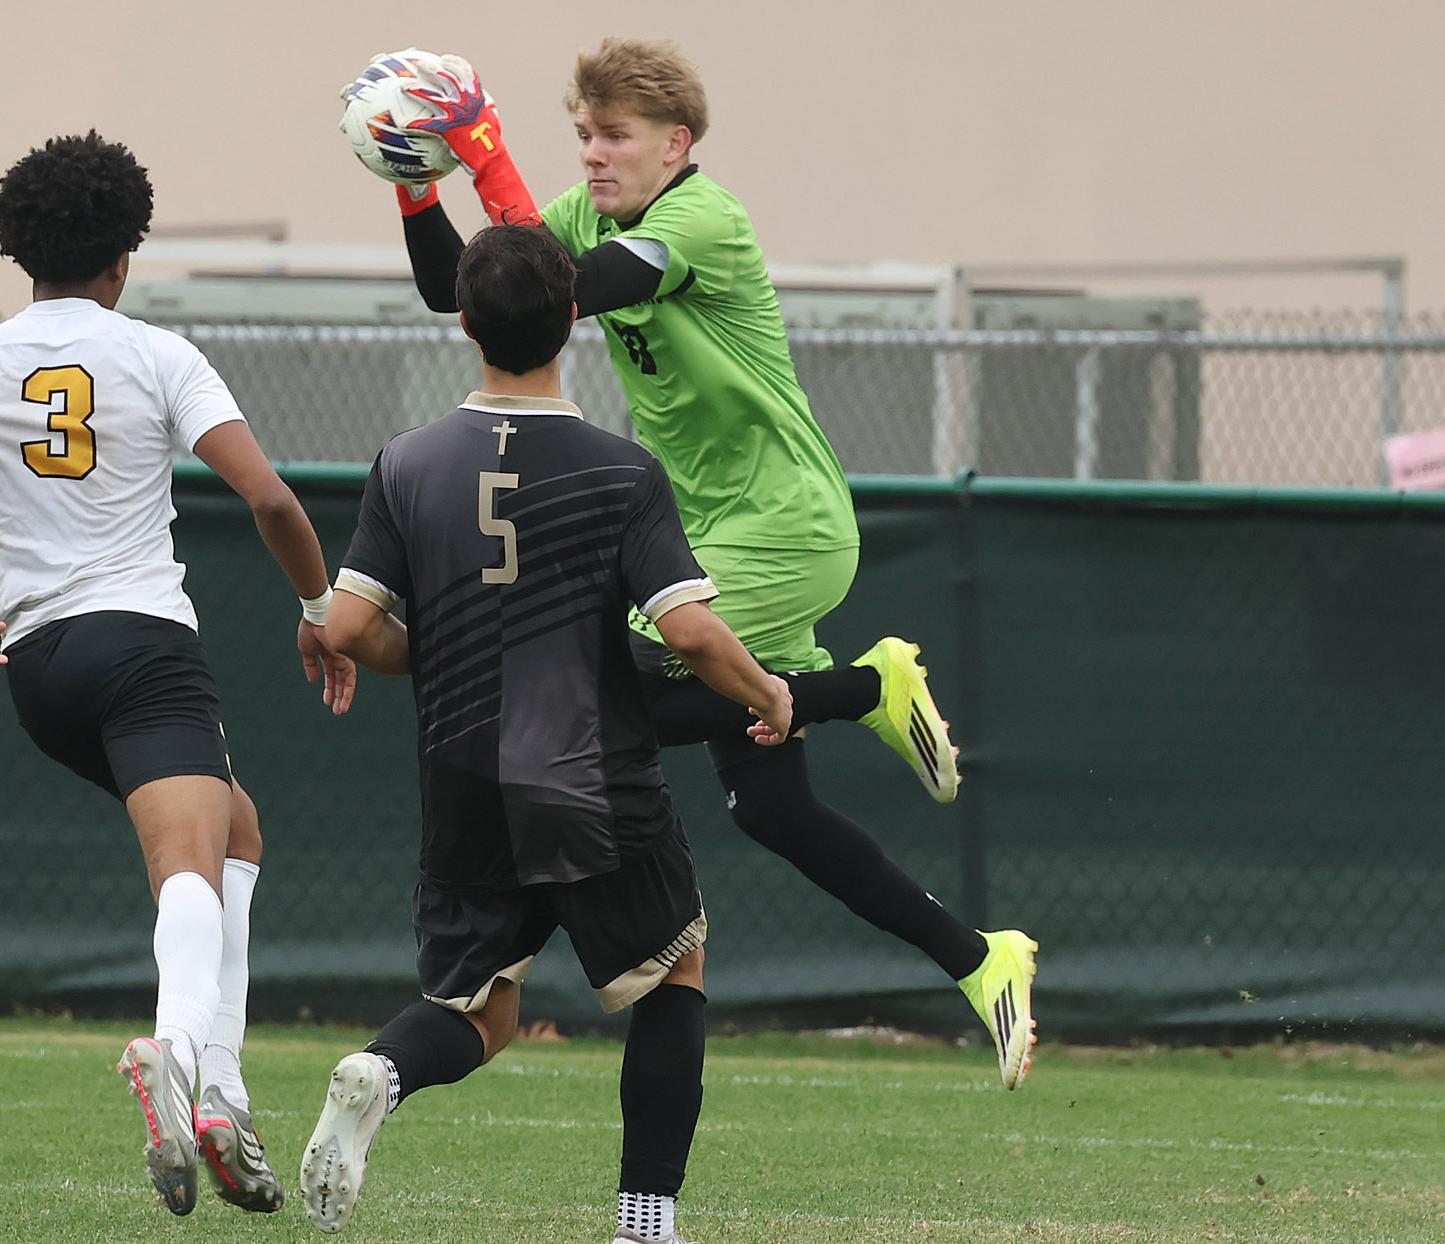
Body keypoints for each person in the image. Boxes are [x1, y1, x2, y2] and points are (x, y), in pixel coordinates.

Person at [362, 37, 1039, 1088]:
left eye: (615, 136)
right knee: (777, 810)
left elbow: (570, 288)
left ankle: (863, 685)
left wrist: (484, 152)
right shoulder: (589, 211)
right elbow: (482, 294)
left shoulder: (701, 218)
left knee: (602, 690)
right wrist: (417, 192)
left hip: (784, 522)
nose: (592, 154)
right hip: (700, 526)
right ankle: (981, 957)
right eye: (583, 134)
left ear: (675, 145)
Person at [0, 131, 352, 1217]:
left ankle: (227, 1092)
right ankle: (181, 1059)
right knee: (189, 863)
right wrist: (317, 611)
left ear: (21, 249)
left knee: (236, 830)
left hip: (38, 668)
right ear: (123, 257)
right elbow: (276, 502)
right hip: (144, 646)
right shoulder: (156, 354)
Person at [300, 224, 793, 1244]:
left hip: (464, 775)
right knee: (673, 969)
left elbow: (346, 627)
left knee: (480, 1008)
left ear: (466, 321)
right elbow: (692, 629)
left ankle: (382, 1071)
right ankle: (646, 1220)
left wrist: (412, 642)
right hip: (592, 775)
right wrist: (771, 693)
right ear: (574, 318)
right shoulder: (621, 470)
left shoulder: (408, 461)